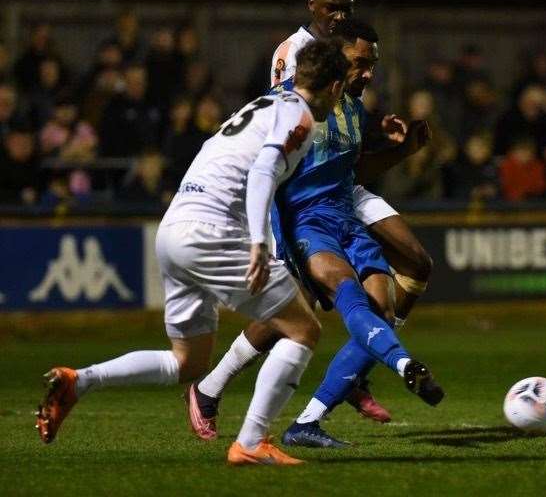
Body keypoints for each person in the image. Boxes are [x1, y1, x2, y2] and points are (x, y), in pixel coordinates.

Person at [35, 39, 348, 466]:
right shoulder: (300, 118)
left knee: (186, 363)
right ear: (334, 86)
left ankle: (81, 381)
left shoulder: (266, 104)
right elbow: (262, 172)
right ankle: (252, 442)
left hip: (174, 230)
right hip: (213, 232)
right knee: (304, 330)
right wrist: (258, 241)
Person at [188, 19, 443, 449]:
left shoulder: (353, 110)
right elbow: (258, 167)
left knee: (375, 311)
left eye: (372, 65)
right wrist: (264, 235)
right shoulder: (288, 105)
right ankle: (211, 389)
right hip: (299, 221)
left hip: (342, 214)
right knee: (301, 315)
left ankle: (307, 417)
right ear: (336, 60)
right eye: (361, 63)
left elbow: (351, 171)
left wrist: (402, 151)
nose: (368, 73)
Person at [268, 0, 435, 420]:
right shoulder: (295, 53)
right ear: (313, 7)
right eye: (331, 8)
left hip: (345, 181)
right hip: (311, 188)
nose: (339, 16)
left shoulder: (353, 53)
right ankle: (210, 387)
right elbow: (293, 120)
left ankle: (368, 355)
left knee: (417, 263)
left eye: (346, 7)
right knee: (298, 312)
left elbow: (345, 117)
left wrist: (379, 129)